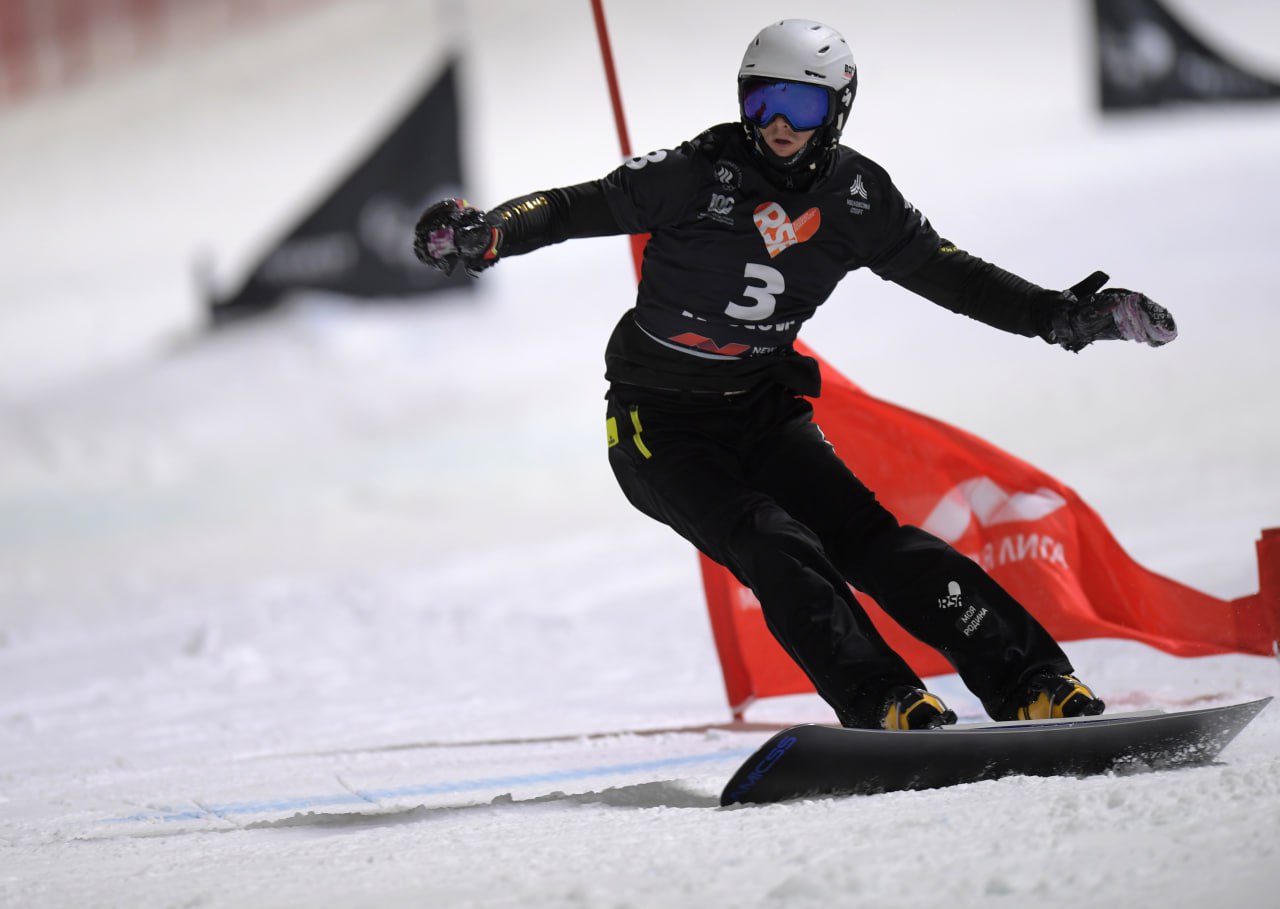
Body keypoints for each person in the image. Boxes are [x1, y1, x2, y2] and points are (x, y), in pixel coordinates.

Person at [412, 19, 1177, 730]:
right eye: (765, 99)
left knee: (880, 545)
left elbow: (953, 276)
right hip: (659, 427)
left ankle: (1033, 681)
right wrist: (490, 235)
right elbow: (569, 209)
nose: (779, 123)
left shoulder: (859, 198)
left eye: (801, 105)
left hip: (764, 411)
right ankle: (885, 699)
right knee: (775, 542)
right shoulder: (697, 170)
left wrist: (1057, 317)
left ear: (837, 109)